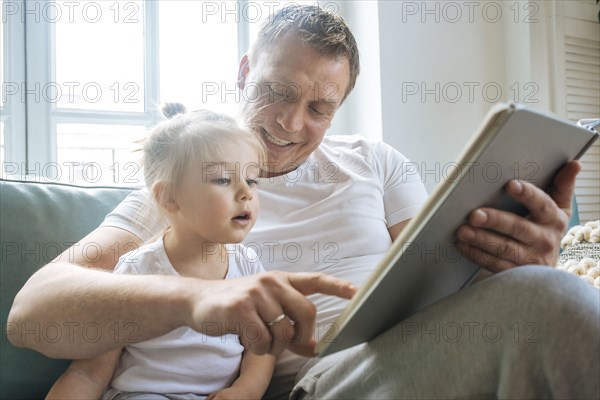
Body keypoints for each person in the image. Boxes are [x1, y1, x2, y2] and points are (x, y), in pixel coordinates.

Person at [8, 5, 599, 399]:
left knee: (544, 292)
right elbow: (33, 314)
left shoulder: (375, 160)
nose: (290, 124)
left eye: (320, 108)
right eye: (275, 93)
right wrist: (202, 297)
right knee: (555, 302)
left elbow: (437, 280)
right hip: (323, 384)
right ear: (244, 73)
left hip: (420, 359)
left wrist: (514, 263)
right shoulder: (183, 189)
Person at [47, 106, 276, 399]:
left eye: (252, 179)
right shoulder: (136, 271)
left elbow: (262, 348)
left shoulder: (248, 267)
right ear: (169, 197)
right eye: (222, 180)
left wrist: (245, 390)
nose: (246, 192)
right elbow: (90, 371)